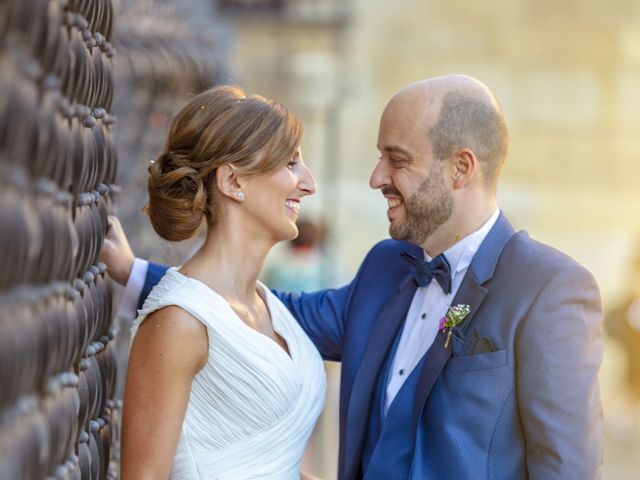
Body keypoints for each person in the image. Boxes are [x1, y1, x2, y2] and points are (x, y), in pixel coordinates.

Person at [104, 75, 603, 479]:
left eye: (397, 159)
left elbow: (566, 470)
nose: (376, 177)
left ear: (461, 168)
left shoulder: (550, 289)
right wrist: (135, 275)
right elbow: (249, 316)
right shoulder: (386, 269)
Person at [116, 85, 326, 479]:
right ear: (233, 181)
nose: (309, 183)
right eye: (291, 163)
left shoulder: (271, 307)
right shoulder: (179, 322)